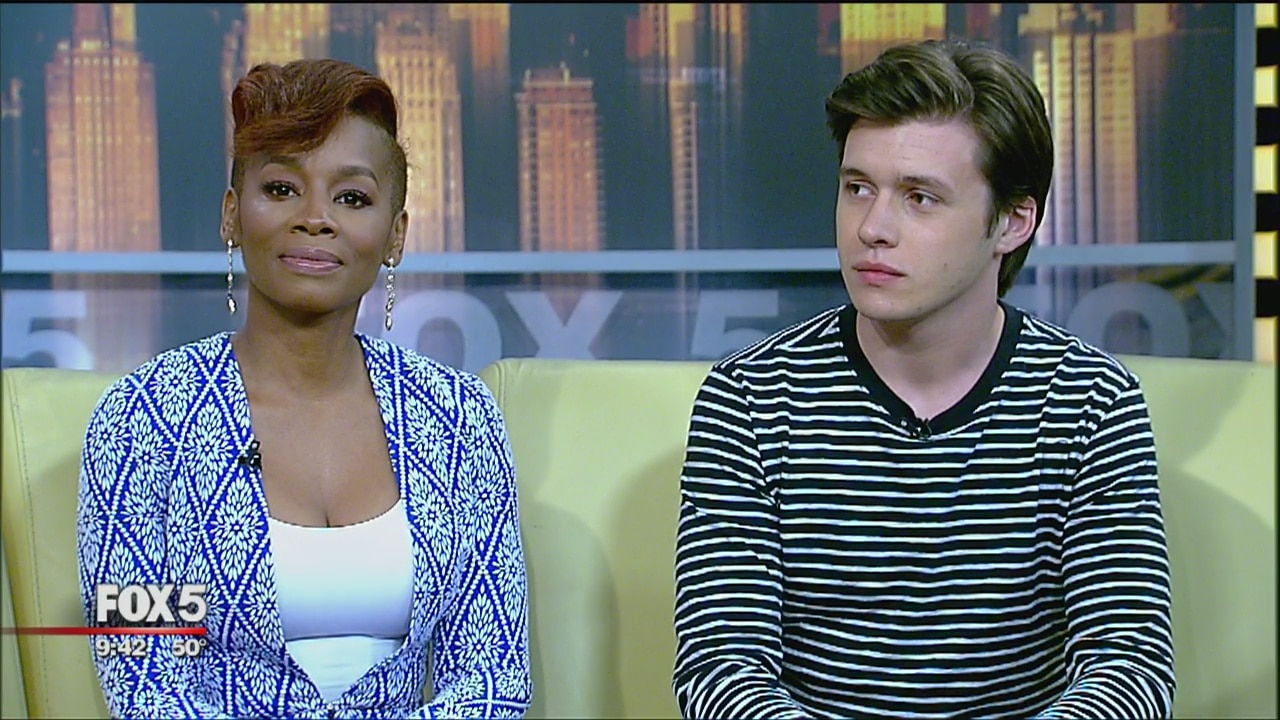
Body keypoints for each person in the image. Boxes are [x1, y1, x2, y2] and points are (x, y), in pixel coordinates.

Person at [672, 38, 1175, 719]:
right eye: (858, 188)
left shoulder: (1091, 402)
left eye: (920, 198)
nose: (873, 228)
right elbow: (720, 671)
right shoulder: (751, 400)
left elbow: (1131, 671)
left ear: (1012, 221)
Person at [76, 58, 532, 719]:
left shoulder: (459, 418)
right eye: (282, 188)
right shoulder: (143, 420)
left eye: (352, 198)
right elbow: (144, 683)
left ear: (396, 235)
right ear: (232, 215)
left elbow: (494, 678)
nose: (316, 218)